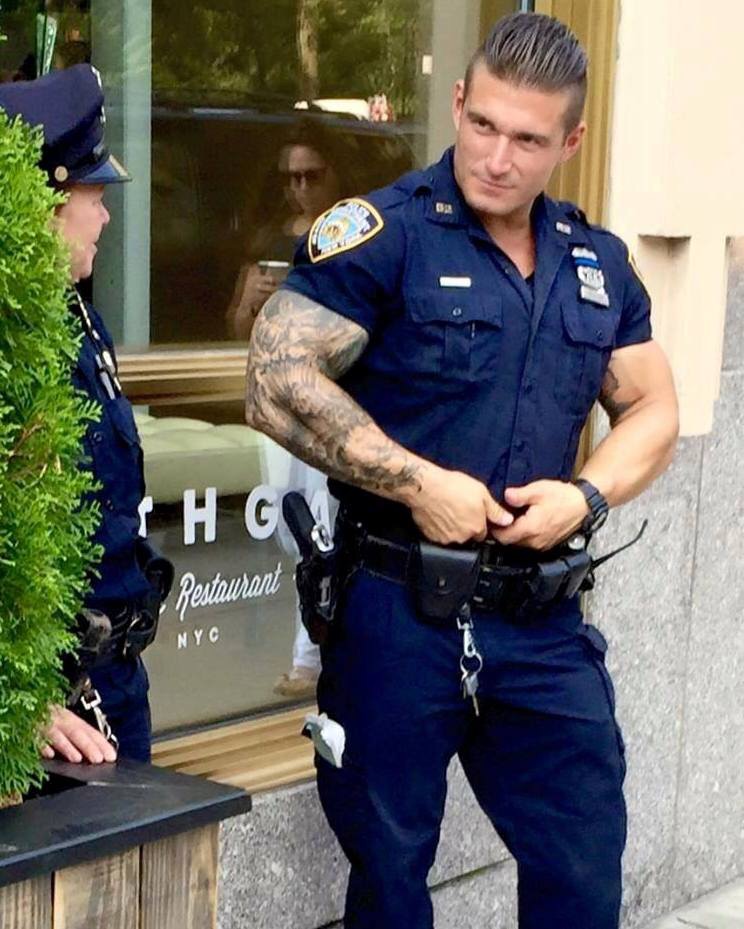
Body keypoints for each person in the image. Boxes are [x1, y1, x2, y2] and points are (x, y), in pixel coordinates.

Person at [246, 12, 679, 928]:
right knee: (391, 881)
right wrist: (418, 484)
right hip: (398, 615)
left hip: (540, 619)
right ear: (456, 103)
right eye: (482, 124)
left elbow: (653, 407)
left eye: (527, 139)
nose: (496, 156)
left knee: (582, 867)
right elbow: (275, 380)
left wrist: (585, 495)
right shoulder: (386, 235)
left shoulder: (596, 263)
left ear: (570, 142)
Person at [0, 64, 169, 765]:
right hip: (46, 708)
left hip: (112, 677)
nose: (105, 217)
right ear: (44, 203)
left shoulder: (79, 319)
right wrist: (16, 698)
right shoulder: (11, 337)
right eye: (93, 197)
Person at [226, 125, 343, 341]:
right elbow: (237, 334)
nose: (302, 187)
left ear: (335, 173)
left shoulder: (356, 234)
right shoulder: (267, 239)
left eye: (313, 176)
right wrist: (250, 305)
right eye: (293, 178)